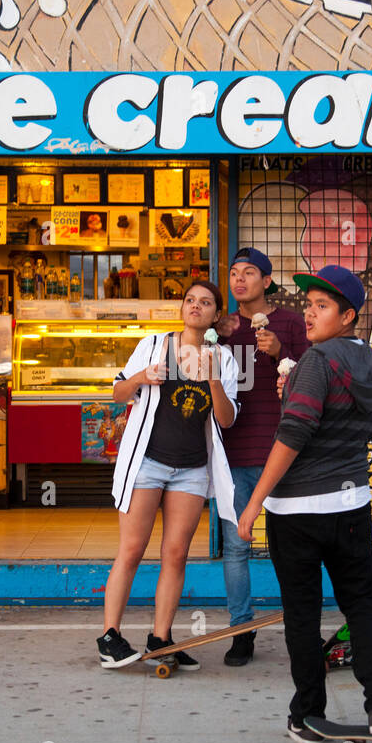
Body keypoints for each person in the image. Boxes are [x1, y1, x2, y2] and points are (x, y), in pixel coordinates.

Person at [237, 265, 372, 743]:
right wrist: (296, 389)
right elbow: (334, 418)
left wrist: (254, 501)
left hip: (299, 512)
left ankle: (306, 715)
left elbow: (294, 434)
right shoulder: (368, 360)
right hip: (350, 505)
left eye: (322, 306)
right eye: (308, 305)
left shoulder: (318, 360)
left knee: (302, 614)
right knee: (361, 604)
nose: (309, 314)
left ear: (347, 315)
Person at [97, 280, 240, 669]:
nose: (195, 306)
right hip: (147, 462)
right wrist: (142, 377)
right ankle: (110, 636)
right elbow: (117, 394)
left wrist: (212, 378)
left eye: (205, 302)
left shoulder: (224, 358)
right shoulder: (154, 344)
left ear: (216, 314)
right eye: (190, 300)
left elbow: (227, 420)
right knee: (132, 549)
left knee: (176, 554)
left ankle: (161, 638)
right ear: (182, 308)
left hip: (192, 469)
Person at [212, 247, 308, 666]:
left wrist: (280, 351)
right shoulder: (222, 326)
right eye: (234, 273)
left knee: (291, 547)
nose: (239, 280)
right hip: (233, 454)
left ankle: (300, 628)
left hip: (283, 453)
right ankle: (242, 631)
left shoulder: (289, 321)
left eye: (249, 273)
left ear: (267, 281)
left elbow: (312, 375)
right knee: (236, 548)